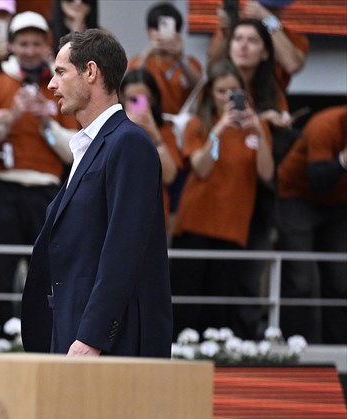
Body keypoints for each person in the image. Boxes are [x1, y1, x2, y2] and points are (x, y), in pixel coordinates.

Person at [20, 28, 171, 358]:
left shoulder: (128, 143)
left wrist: (94, 337)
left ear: (90, 71)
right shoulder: (90, 148)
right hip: (74, 332)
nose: (51, 84)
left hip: (106, 345)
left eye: (60, 72)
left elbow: (124, 249)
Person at [0, 10, 77, 326]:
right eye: (23, 43)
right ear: (12, 46)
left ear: (47, 46)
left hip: (47, 187)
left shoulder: (62, 84)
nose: (30, 50)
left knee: (46, 265)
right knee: (0, 264)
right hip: (2, 184)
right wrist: (11, 118)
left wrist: (47, 122)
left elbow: (74, 151)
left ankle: (47, 331)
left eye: (36, 43)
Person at [170, 59, 273, 339]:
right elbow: (202, 167)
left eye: (233, 91)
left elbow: (266, 173)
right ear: (209, 94)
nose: (228, 98)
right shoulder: (198, 125)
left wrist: (259, 132)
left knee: (218, 311)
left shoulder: (257, 127)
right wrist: (221, 128)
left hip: (233, 227)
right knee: (186, 306)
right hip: (196, 224)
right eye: (221, 91)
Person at [276, 105, 346, 344]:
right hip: (298, 196)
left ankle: (338, 349)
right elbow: (320, 182)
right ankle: (297, 344)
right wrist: (343, 160)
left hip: (338, 204)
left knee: (340, 280)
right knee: (301, 280)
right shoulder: (325, 125)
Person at [119, 68, 180, 221]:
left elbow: (170, 176)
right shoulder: (112, 129)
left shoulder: (165, 131)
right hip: (119, 210)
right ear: (122, 98)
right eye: (132, 99)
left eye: (143, 99)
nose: (138, 105)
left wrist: (154, 134)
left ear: (153, 99)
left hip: (153, 213)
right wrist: (126, 127)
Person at [128, 2, 201, 116]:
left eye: (168, 29)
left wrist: (180, 57)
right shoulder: (139, 60)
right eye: (157, 29)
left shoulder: (190, 63)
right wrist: (148, 52)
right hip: (143, 119)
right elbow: (129, 87)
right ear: (148, 31)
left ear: (178, 32)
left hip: (178, 125)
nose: (162, 34)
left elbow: (200, 88)